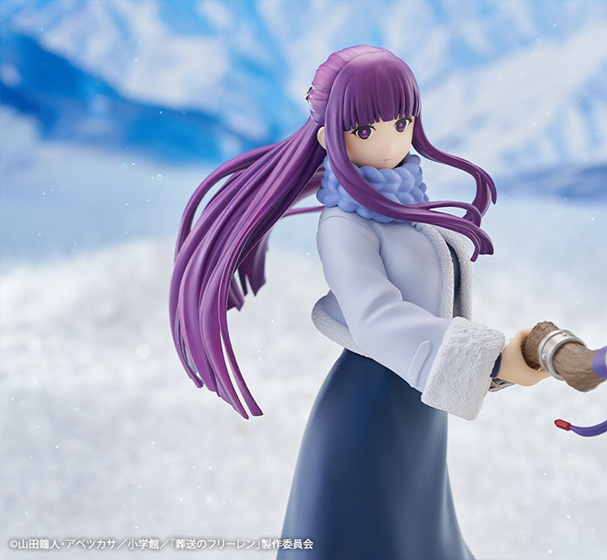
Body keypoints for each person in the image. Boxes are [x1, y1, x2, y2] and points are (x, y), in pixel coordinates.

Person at [170, 45, 547, 560]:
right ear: (331, 139)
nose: (390, 142)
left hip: (418, 404)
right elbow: (376, 319)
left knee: (419, 536)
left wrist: (495, 368)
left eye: (402, 122)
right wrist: (492, 359)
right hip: (371, 405)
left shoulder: (405, 205)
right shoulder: (344, 225)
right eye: (366, 130)